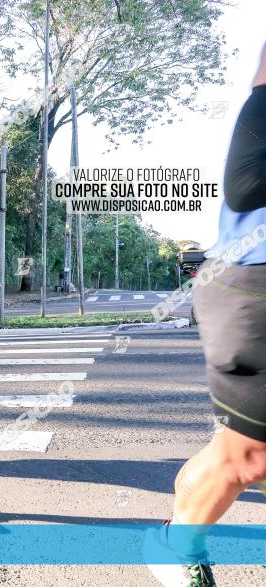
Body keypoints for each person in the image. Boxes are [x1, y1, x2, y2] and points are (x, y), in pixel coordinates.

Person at [146, 43, 266, 586]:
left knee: (239, 454)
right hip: (255, 286)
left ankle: (179, 530)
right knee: (250, 459)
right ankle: (177, 544)